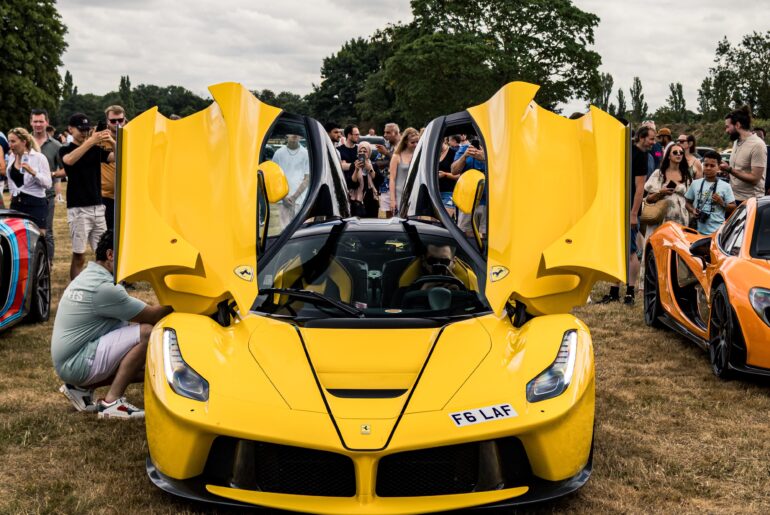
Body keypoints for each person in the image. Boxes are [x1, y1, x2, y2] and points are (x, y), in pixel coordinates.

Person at [52, 231, 172, 419]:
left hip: (70, 361)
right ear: (110, 255)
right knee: (146, 334)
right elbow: (152, 316)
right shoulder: (104, 288)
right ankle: (112, 402)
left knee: (140, 363)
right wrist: (187, 303)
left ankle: (81, 388)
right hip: (75, 363)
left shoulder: (91, 276)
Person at [600, 126, 655, 305]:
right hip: (617, 207)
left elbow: (640, 189)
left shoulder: (642, 156)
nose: (653, 143)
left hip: (630, 210)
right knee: (617, 250)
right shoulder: (627, 150)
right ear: (640, 137)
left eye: (654, 139)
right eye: (651, 139)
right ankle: (614, 290)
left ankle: (630, 292)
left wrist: (633, 214)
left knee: (631, 251)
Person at [59, 113, 115, 280]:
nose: (84, 133)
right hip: (79, 208)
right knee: (79, 255)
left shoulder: (95, 150)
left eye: (86, 129)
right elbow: (69, 160)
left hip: (98, 207)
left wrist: (111, 141)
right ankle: (74, 289)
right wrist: (90, 141)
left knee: (105, 254)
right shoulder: (66, 149)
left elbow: (117, 157)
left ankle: (104, 286)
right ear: (70, 129)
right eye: (80, 129)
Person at [2, 128, 52, 230]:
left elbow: (48, 184)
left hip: (35, 203)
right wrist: (13, 192)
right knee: (17, 236)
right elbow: (11, 179)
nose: (10, 145)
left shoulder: (39, 158)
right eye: (9, 141)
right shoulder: (12, 157)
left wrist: (33, 172)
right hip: (16, 204)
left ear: (24, 142)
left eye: (13, 141)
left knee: (38, 238)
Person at [30, 109, 64, 262]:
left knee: (47, 232)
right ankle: (30, 263)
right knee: (28, 232)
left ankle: (47, 266)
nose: (38, 124)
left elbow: (66, 168)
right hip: (27, 196)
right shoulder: (24, 142)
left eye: (41, 121)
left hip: (47, 195)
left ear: (47, 123)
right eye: (35, 121)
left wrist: (53, 175)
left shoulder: (56, 145)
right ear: (31, 122)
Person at [642, 143, 693, 240]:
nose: (678, 154)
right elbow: (648, 199)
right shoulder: (659, 174)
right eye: (675, 152)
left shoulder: (686, 176)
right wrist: (661, 192)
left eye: (681, 152)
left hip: (681, 221)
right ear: (668, 156)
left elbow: (690, 200)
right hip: (661, 220)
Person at [720, 106, 767, 205]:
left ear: (737, 125)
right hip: (733, 197)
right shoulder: (736, 141)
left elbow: (755, 179)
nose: (726, 131)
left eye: (727, 126)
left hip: (750, 202)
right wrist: (726, 170)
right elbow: (740, 169)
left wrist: (730, 170)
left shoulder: (757, 145)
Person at [685, 151, 736, 235]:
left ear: (718, 167)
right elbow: (687, 203)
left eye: (712, 166)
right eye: (706, 165)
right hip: (697, 230)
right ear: (702, 165)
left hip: (717, 232)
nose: (708, 168)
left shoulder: (725, 186)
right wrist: (693, 210)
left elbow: (733, 207)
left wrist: (721, 202)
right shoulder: (695, 183)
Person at [271, 133, 310, 227]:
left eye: (297, 133)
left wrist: (293, 197)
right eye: (292, 133)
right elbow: (274, 177)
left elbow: (307, 178)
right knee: (284, 230)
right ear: (286, 135)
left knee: (298, 230)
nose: (294, 135)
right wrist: (284, 197)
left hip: (300, 199)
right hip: (283, 200)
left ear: (301, 136)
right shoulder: (278, 153)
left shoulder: (306, 153)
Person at [450, 136, 487, 234]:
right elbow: (454, 171)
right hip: (467, 201)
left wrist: (485, 159)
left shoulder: (494, 150)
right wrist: (465, 156)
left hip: (489, 202)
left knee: (488, 235)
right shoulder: (464, 149)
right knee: (466, 235)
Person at [101, 105, 128, 230]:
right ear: (107, 121)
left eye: (120, 120)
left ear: (125, 119)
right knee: (109, 234)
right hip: (106, 196)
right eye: (113, 121)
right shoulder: (100, 139)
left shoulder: (131, 136)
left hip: (128, 195)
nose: (117, 123)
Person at [389, 127, 419, 214]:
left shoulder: (419, 156)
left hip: (414, 193)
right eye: (412, 142)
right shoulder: (397, 156)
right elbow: (392, 179)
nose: (416, 144)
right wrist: (392, 199)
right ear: (405, 141)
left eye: (417, 142)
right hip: (400, 194)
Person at [345, 141, 378, 217]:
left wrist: (370, 169)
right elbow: (351, 184)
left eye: (365, 151)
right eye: (360, 151)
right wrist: (356, 170)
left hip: (371, 201)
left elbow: (377, 181)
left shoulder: (374, 165)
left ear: (369, 152)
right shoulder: (354, 165)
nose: (362, 153)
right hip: (357, 202)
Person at [374, 123, 400, 217]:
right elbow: (377, 164)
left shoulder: (404, 146)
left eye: (388, 132)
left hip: (400, 185)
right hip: (385, 185)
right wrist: (390, 158)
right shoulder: (386, 145)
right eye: (384, 132)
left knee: (402, 215)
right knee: (389, 217)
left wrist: (386, 154)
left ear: (396, 133)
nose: (385, 135)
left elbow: (401, 163)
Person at [437, 138, 458, 215]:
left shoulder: (453, 153)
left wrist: (445, 174)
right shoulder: (432, 153)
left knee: (445, 222)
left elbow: (459, 175)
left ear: (443, 140)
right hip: (434, 192)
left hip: (448, 193)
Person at [752, 127, 770, 194]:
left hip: (766, 189)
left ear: (764, 138)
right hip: (752, 190)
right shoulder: (748, 152)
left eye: (760, 137)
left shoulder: (769, 151)